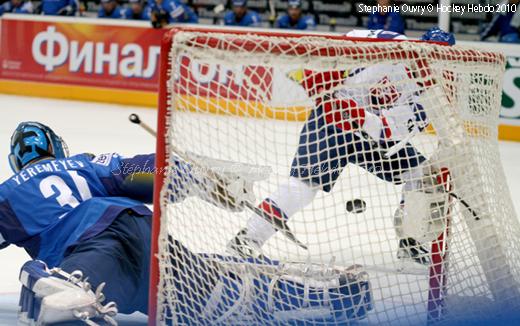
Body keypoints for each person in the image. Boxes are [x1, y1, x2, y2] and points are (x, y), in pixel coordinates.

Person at [3, 122, 372, 324]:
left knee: (68, 293)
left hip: (96, 250)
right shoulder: (82, 163)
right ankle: (334, 295)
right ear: (56, 144)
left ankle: (68, 288)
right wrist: (198, 178)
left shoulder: (7, 195)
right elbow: (143, 171)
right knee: (221, 294)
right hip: (145, 235)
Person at [227, 28, 456, 267]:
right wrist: (324, 74)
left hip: (368, 136)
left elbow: (385, 131)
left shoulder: (430, 97)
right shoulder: (394, 43)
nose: (434, 64)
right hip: (331, 120)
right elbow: (348, 37)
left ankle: (410, 241)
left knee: (420, 173)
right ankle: (247, 238)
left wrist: (356, 113)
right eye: (433, 55)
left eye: (442, 59)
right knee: (303, 188)